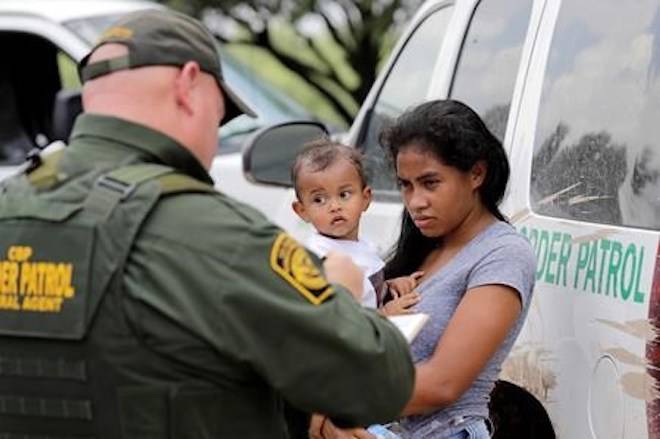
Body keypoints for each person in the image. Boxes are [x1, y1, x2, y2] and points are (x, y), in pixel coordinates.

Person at [0, 9, 415, 439]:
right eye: (218, 117)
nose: (214, 140)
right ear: (188, 86)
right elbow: (380, 381)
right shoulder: (214, 232)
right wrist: (341, 295)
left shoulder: (9, 206)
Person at [315, 100, 536, 439]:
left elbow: (443, 384)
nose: (416, 201)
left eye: (430, 183)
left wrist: (331, 404)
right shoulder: (422, 248)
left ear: (477, 173)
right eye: (406, 185)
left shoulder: (503, 253)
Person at [291, 139, 423, 315]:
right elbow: (339, 320)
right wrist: (384, 313)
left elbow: (365, 291)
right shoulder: (321, 260)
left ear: (365, 198)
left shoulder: (363, 246)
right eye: (319, 200)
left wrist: (389, 286)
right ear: (302, 211)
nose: (334, 206)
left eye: (344, 195)